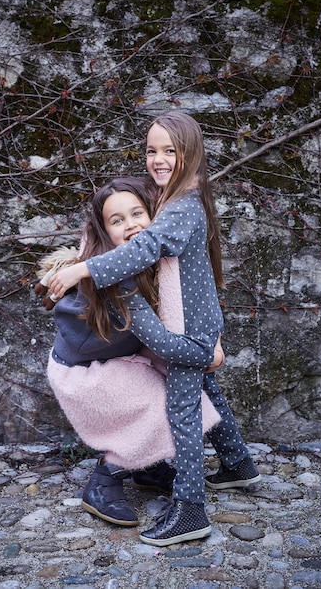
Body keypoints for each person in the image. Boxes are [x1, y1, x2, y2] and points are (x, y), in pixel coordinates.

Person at [48, 111, 261, 546]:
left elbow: (146, 248)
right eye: (151, 150)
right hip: (138, 351)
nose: (159, 159)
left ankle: (191, 512)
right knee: (200, 395)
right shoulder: (180, 200)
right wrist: (208, 348)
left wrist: (81, 270)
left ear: (192, 153)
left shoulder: (178, 209)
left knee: (183, 415)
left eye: (170, 150)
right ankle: (237, 464)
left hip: (186, 333)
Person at [44, 177, 224, 528]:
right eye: (117, 220)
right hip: (84, 372)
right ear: (104, 231)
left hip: (120, 358)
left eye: (137, 213)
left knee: (181, 395)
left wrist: (214, 337)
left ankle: (149, 466)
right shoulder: (114, 276)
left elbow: (196, 302)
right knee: (167, 407)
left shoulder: (154, 256)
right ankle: (105, 479)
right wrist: (208, 355)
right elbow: (160, 341)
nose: (131, 226)